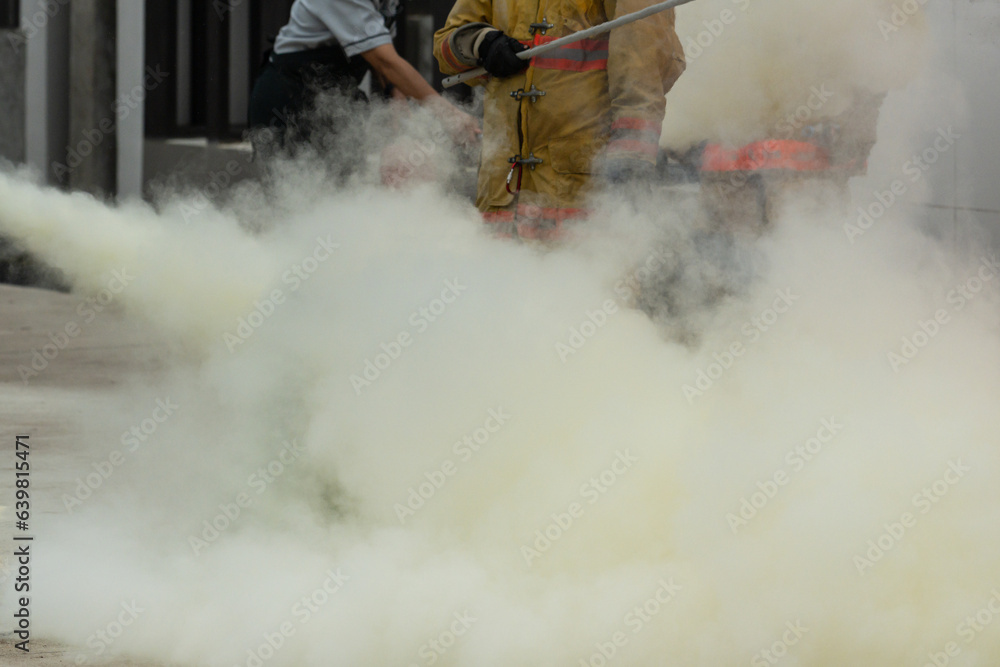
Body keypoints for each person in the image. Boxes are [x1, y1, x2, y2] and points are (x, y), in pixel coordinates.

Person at [433, 0, 685, 241]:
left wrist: (632, 158)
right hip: (501, 201)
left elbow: (644, 64)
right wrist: (482, 43)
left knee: (582, 284)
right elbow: (446, 47)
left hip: (581, 197)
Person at [248, 0, 479, 159]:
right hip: (288, 101)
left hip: (337, 99)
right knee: (295, 202)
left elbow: (384, 62)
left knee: (347, 191)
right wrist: (450, 115)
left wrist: (400, 120)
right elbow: (384, 60)